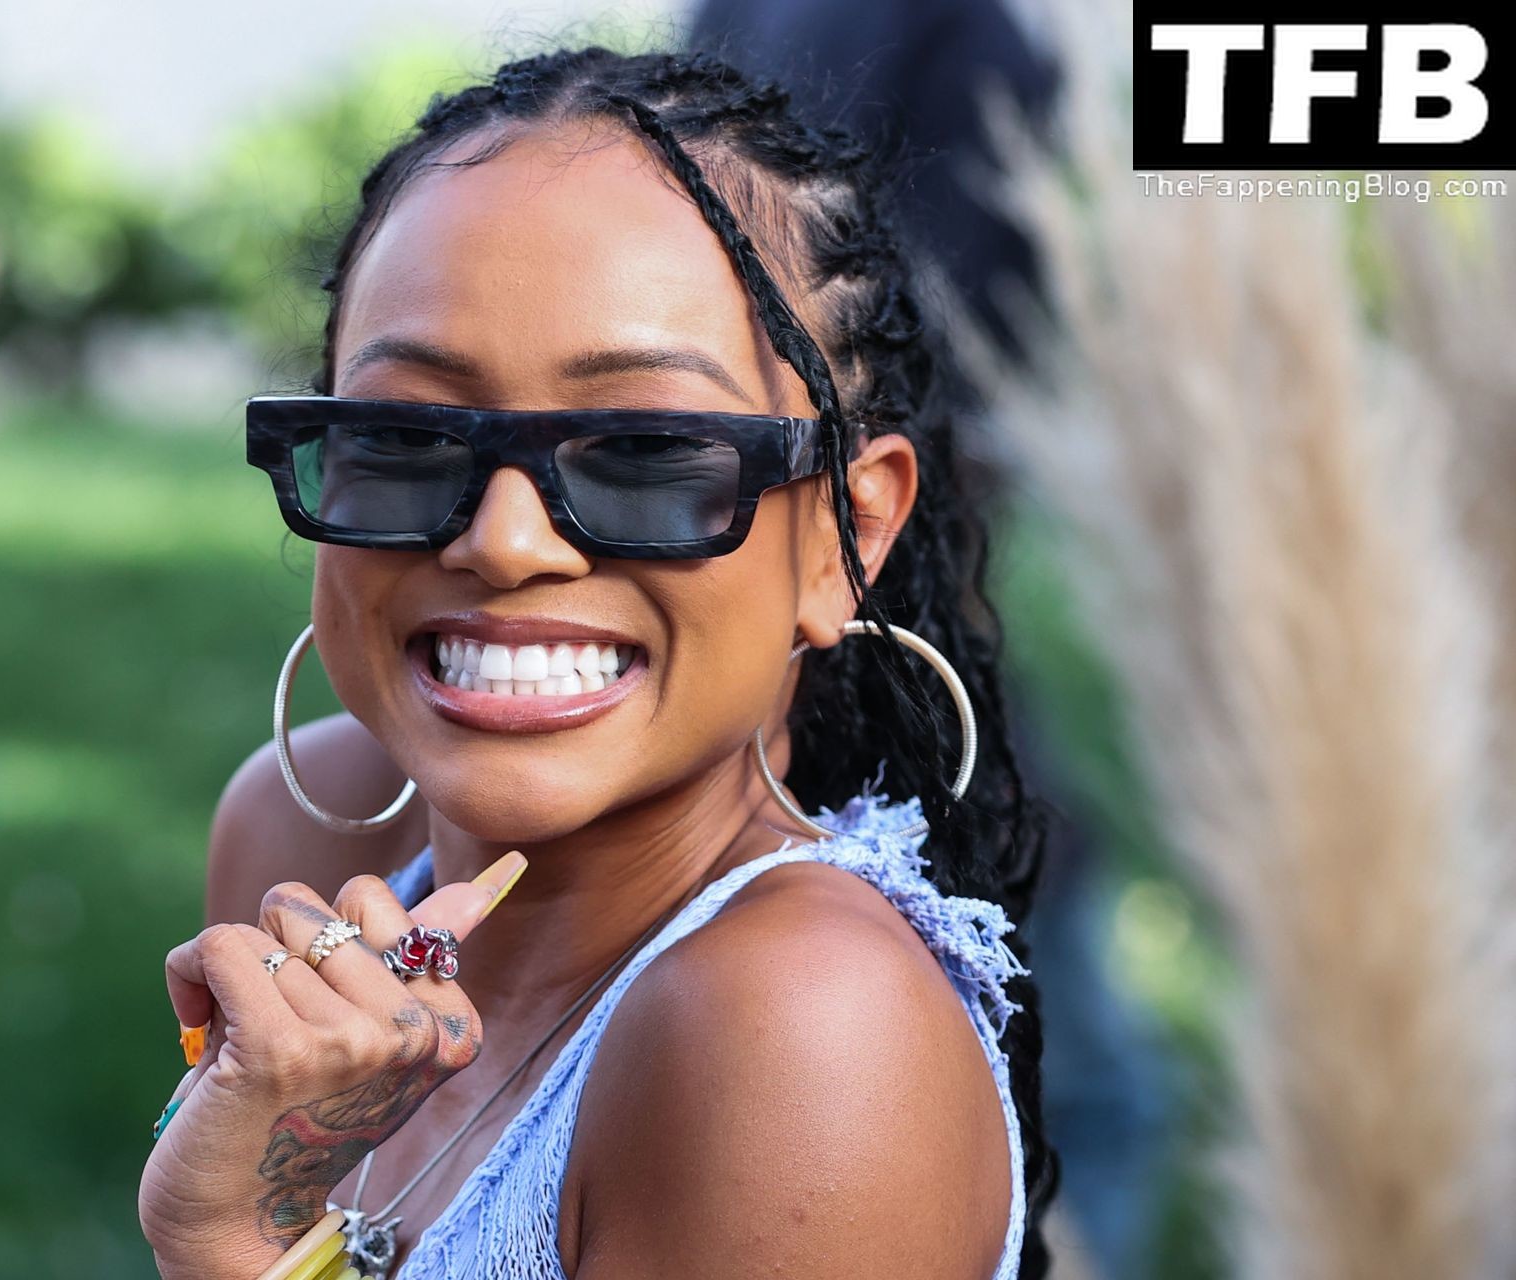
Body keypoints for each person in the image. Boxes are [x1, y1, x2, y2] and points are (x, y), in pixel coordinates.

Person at [140, 47, 1057, 1280]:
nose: (504, 541)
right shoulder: (296, 839)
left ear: (848, 533)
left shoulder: (805, 1027)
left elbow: (225, 1226)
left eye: (647, 453)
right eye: (406, 436)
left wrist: (233, 1246)